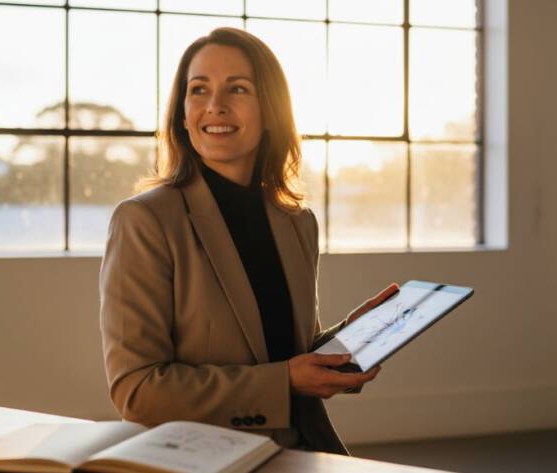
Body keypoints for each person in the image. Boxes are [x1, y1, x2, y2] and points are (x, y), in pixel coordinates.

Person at [99, 27, 396, 455]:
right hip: (206, 459)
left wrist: (349, 339)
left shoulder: (298, 222)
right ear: (182, 114)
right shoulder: (145, 221)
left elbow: (280, 351)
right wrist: (286, 381)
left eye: (237, 88)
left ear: (271, 110)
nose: (214, 106)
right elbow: (137, 391)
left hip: (304, 450)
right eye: (198, 90)